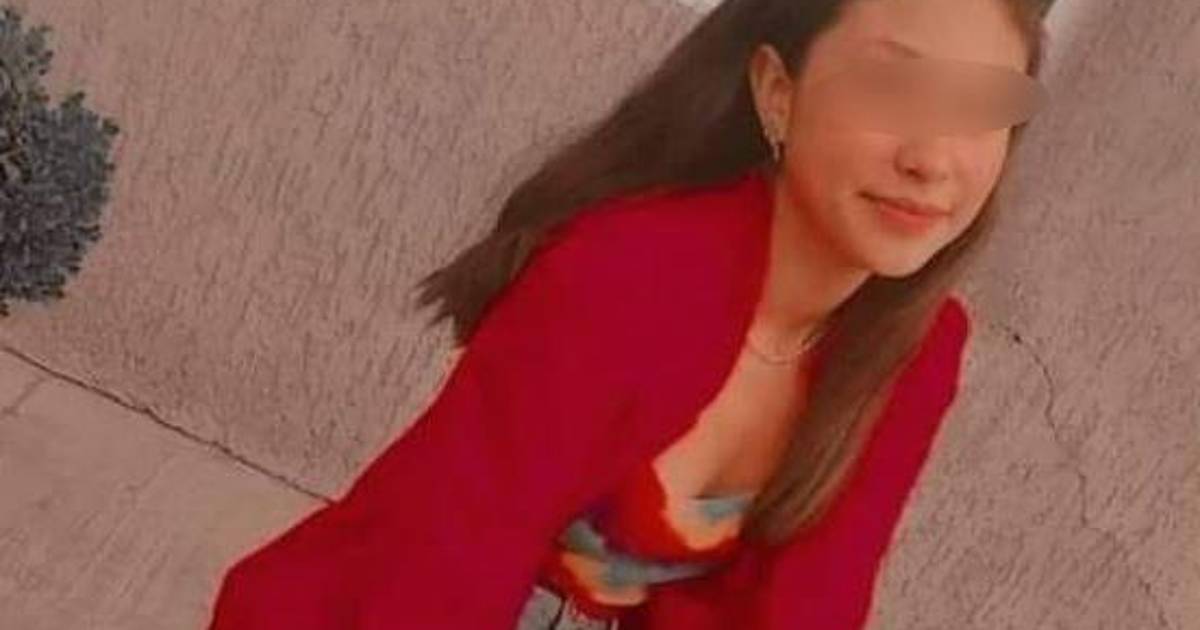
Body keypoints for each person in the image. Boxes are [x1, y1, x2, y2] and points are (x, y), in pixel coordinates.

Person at [207, 0, 1049, 628]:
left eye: (982, 106)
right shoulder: (629, 270)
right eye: (891, 84)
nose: (933, 158)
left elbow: (807, 608)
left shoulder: (919, 346)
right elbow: (438, 565)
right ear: (777, 93)